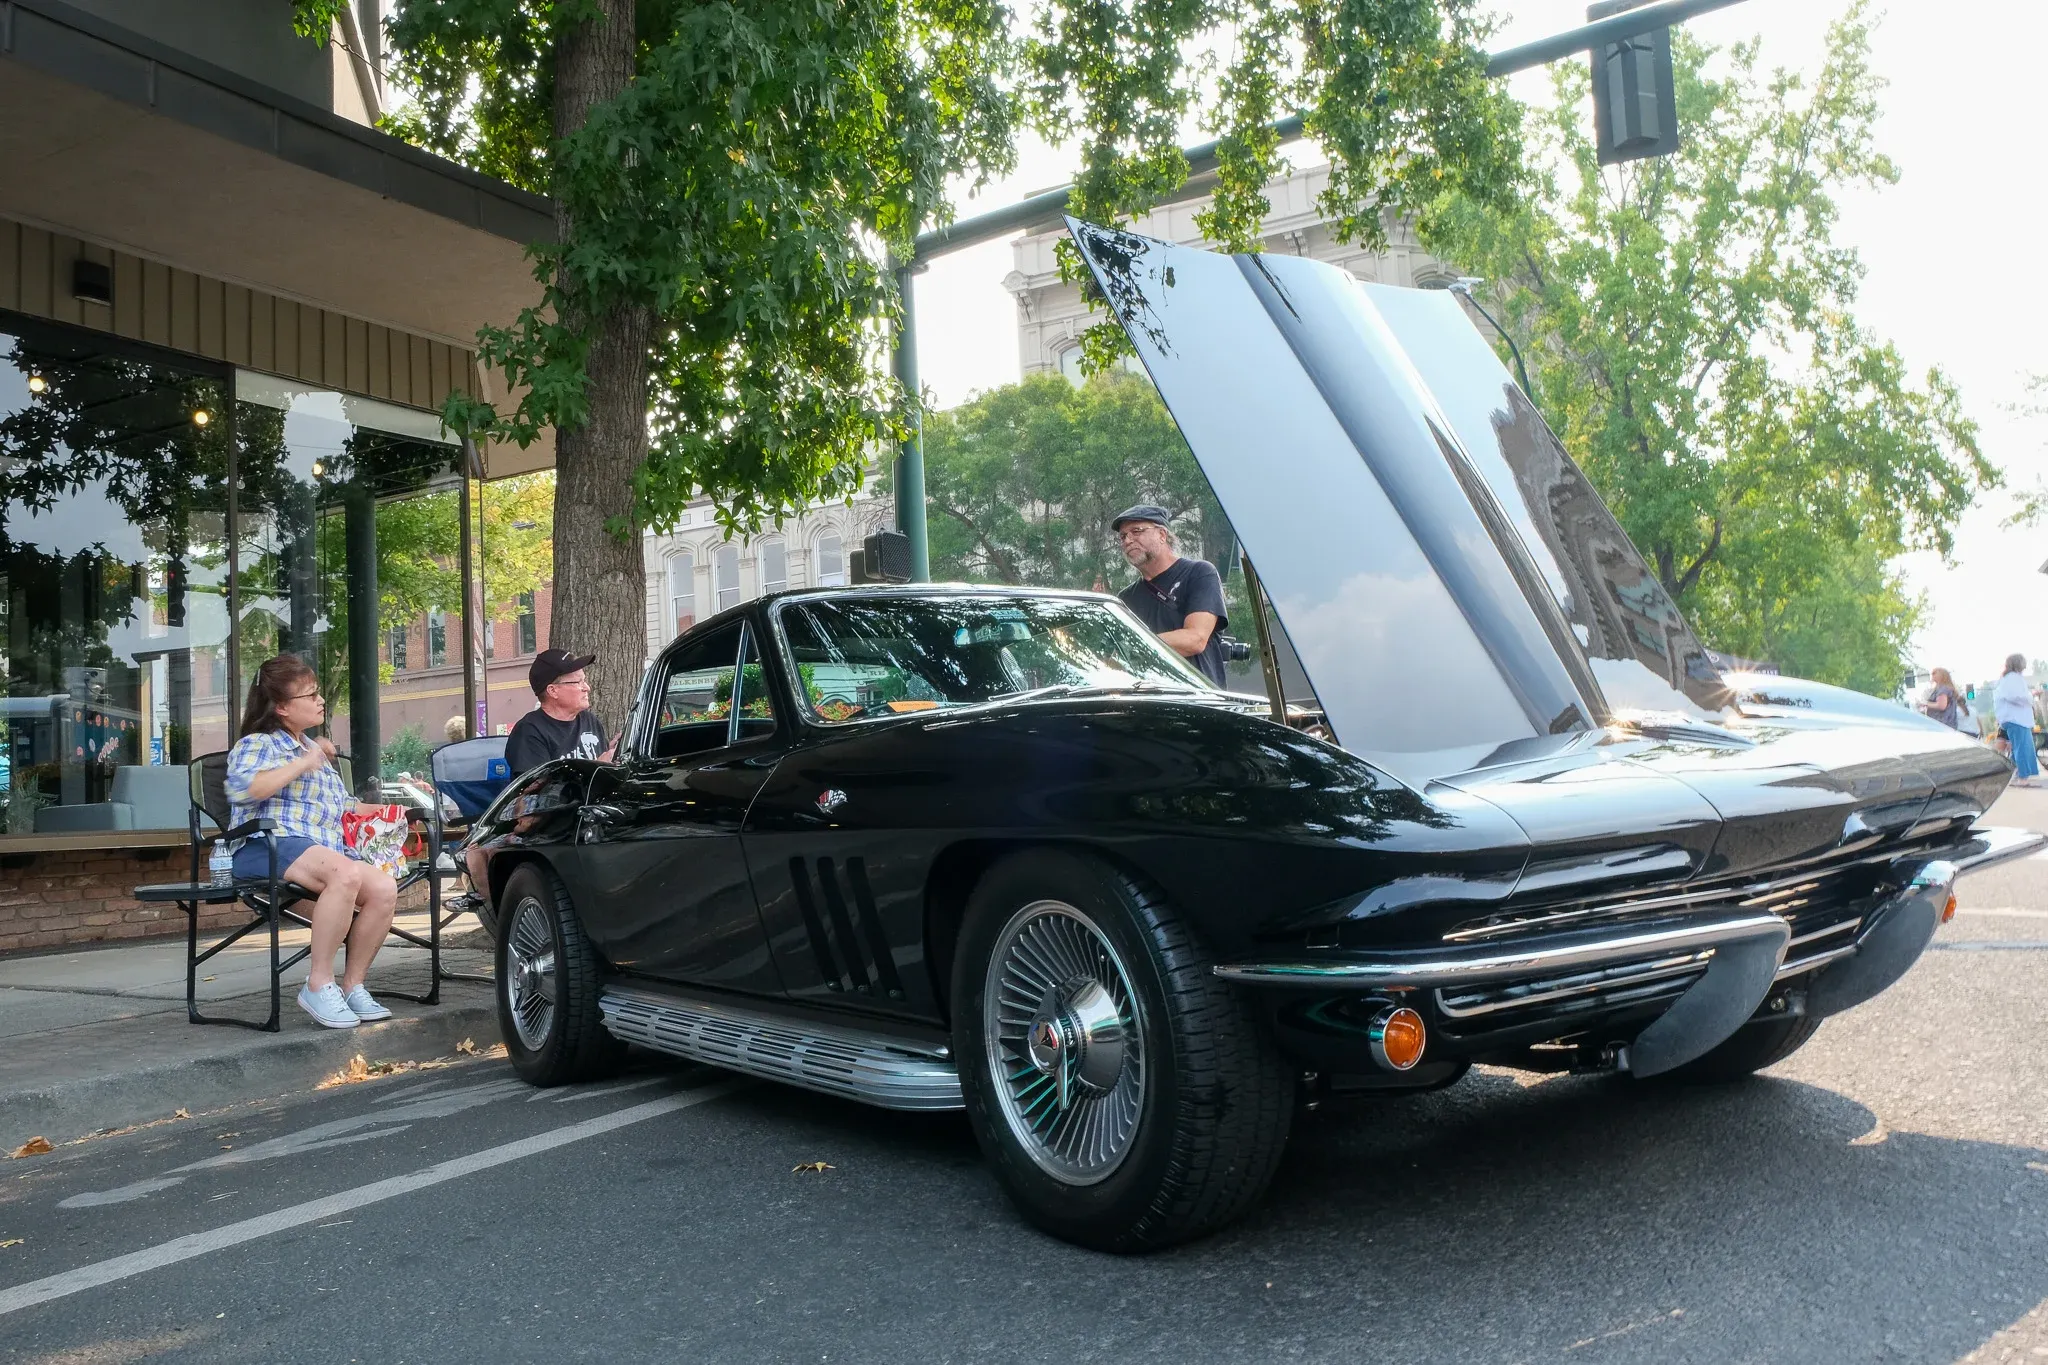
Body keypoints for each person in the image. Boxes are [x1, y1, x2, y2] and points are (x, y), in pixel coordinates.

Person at [225, 655, 400, 1030]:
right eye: (311, 694)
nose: (320, 701)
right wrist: (306, 761)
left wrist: (390, 811)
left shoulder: (311, 750)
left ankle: (353, 986)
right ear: (283, 708)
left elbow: (343, 807)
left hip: (321, 851)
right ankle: (319, 983)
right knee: (345, 874)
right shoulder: (259, 744)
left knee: (384, 887)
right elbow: (247, 789)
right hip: (266, 845)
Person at [1111, 504, 1229, 686]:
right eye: (1123, 536)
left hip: (1198, 701)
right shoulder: (1126, 598)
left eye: (1136, 531)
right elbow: (1117, 657)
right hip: (1148, 704)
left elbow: (1195, 639)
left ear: (1162, 535)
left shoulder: (1199, 573)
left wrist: (1136, 643)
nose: (1127, 541)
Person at [505, 648, 617, 776]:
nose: (587, 688)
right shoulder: (529, 731)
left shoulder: (590, 721)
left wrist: (613, 752)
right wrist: (596, 768)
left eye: (584, 680)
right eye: (578, 682)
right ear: (553, 691)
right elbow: (534, 789)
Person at [1993, 654, 2041, 787]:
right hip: (2017, 719)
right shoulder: (2013, 678)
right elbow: (2014, 696)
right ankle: (2022, 778)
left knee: (2017, 749)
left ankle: (2014, 775)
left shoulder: (2006, 679)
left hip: (2012, 718)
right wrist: (2031, 696)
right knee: (2022, 748)